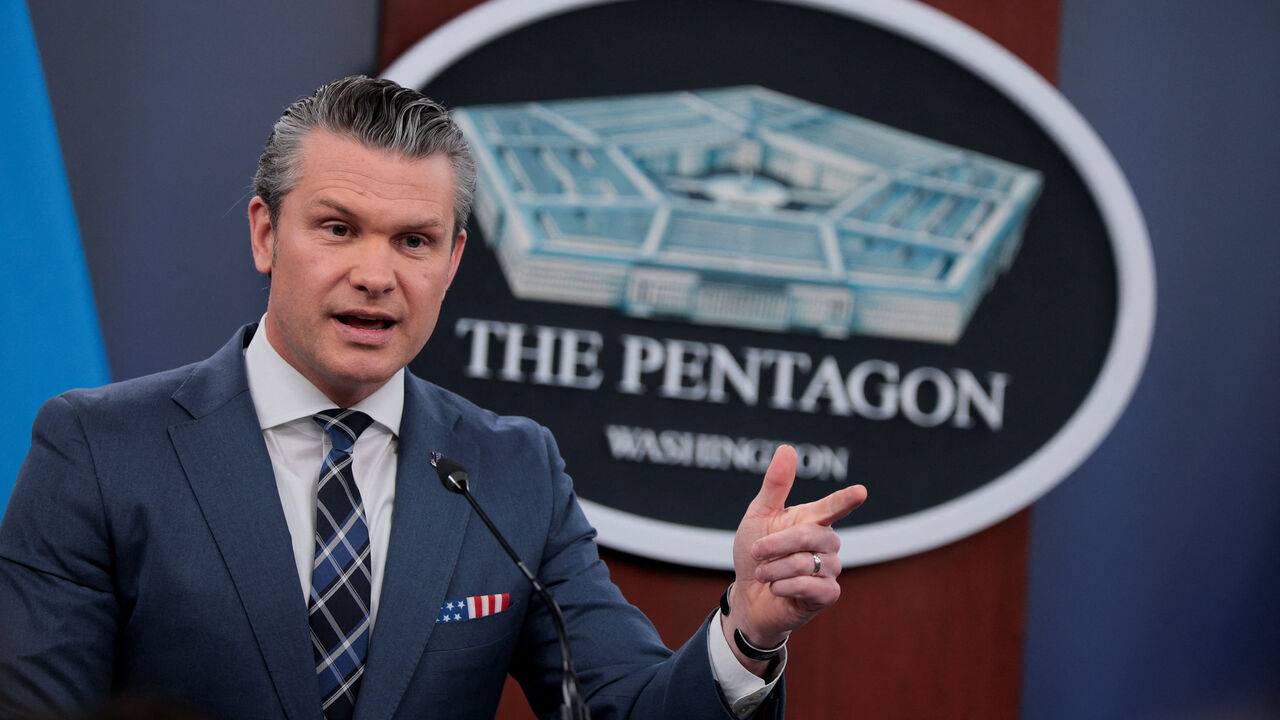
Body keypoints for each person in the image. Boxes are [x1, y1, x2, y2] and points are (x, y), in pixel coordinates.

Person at [0, 76, 867, 720]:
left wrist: (748, 633)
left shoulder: (510, 468)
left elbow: (621, 707)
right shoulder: (102, 450)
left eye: (413, 241)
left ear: (451, 262)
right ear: (266, 234)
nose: (375, 275)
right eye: (338, 228)